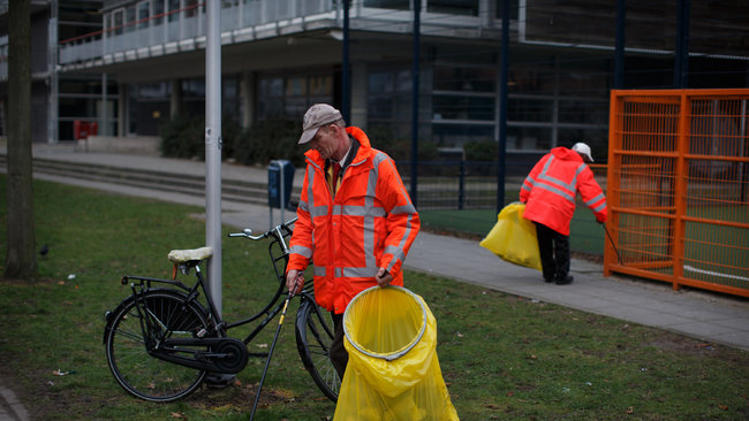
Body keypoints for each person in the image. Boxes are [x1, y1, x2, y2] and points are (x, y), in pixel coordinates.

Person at [285, 103, 420, 379]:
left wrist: (390, 263)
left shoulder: (378, 165)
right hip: (337, 291)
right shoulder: (316, 168)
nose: (313, 145)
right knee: (357, 360)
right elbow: (306, 220)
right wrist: (295, 265)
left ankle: (368, 408)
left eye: (316, 138)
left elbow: (404, 220)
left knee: (349, 356)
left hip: (371, 288)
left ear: (335, 130)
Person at [519, 142, 607, 285]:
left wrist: (524, 197)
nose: (586, 162)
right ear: (583, 156)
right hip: (559, 211)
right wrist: (602, 215)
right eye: (586, 159)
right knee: (561, 244)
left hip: (538, 206)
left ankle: (548, 275)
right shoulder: (581, 168)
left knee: (544, 243)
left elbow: (531, 178)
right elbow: (593, 195)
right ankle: (561, 276)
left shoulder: (548, 158)